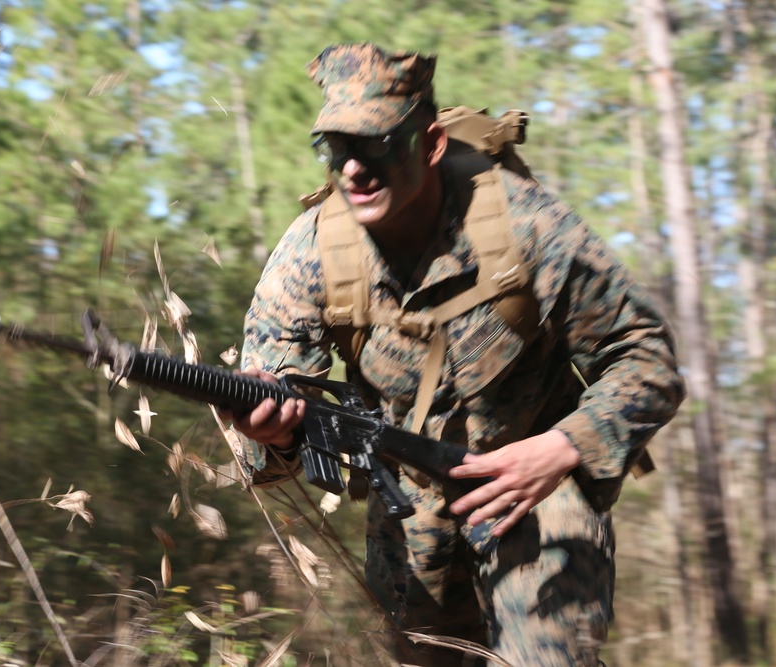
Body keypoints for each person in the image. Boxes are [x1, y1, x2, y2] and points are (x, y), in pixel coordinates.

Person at [232, 42, 685, 667]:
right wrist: (275, 433)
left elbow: (647, 358)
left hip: (535, 492)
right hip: (407, 513)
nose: (355, 170)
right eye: (336, 150)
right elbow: (276, 410)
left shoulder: (529, 228)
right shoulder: (309, 252)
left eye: (378, 146)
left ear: (432, 142)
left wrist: (561, 448)